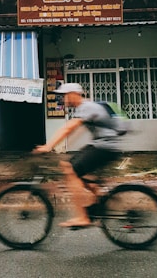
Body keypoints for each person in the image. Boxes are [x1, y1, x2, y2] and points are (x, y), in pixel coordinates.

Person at [34, 83, 121, 228]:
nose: (63, 99)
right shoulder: (85, 108)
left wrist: (49, 146)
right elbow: (76, 130)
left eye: (65, 95)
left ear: (74, 94)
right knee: (69, 166)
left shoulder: (86, 107)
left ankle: (82, 217)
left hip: (105, 147)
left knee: (72, 171)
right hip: (104, 146)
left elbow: (69, 128)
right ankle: (99, 195)